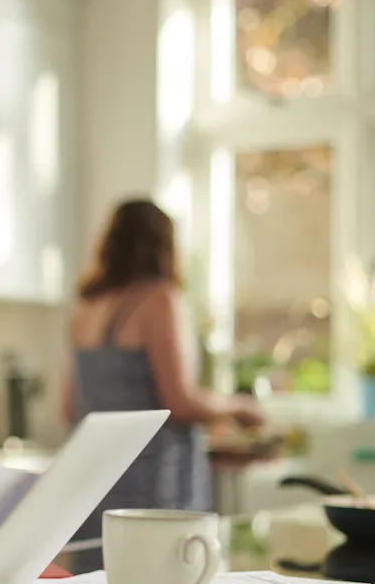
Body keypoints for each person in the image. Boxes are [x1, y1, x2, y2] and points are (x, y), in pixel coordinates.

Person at [62, 199, 264, 540]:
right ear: (164, 244)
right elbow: (180, 403)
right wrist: (238, 407)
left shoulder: (87, 306)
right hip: (153, 488)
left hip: (93, 482)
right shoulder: (159, 299)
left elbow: (68, 408)